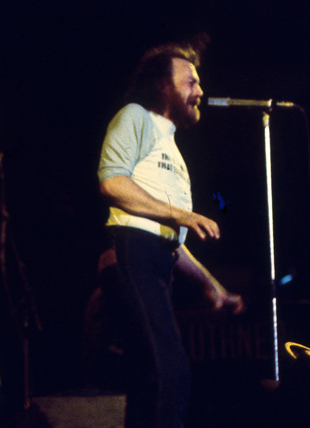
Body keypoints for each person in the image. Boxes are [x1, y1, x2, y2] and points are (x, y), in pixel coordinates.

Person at [97, 34, 244, 428]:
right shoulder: (135, 117)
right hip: (133, 254)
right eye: (190, 81)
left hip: (154, 259)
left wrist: (212, 285)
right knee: (168, 372)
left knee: (155, 377)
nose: (200, 90)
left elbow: (170, 241)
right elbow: (112, 182)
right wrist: (181, 214)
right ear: (163, 85)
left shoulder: (173, 152)